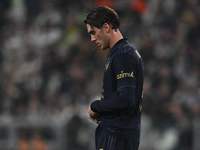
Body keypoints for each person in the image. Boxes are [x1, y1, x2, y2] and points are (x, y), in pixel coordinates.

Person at [84, 5, 144, 150]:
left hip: (116, 135)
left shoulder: (123, 55)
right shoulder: (121, 52)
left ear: (106, 27)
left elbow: (126, 99)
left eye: (93, 32)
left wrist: (95, 106)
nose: (92, 38)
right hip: (119, 134)